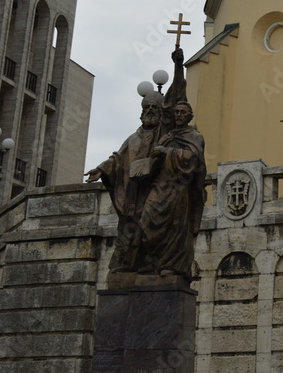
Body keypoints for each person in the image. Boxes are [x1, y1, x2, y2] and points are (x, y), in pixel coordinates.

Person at [85, 91, 164, 273]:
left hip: (153, 192)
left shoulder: (165, 136)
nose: (150, 110)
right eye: (147, 107)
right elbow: (117, 159)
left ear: (161, 112)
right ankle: (124, 267)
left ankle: (150, 266)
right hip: (132, 194)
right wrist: (101, 169)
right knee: (128, 233)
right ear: (142, 112)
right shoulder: (133, 139)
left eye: (154, 107)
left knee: (151, 230)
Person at [138, 101, 207, 277]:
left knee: (176, 227)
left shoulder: (195, 136)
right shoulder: (167, 136)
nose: (179, 115)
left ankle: (171, 265)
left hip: (179, 186)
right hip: (160, 185)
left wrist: (166, 152)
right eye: (176, 112)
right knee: (146, 221)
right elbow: (153, 159)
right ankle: (152, 262)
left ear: (189, 115)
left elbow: (193, 159)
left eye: (183, 112)